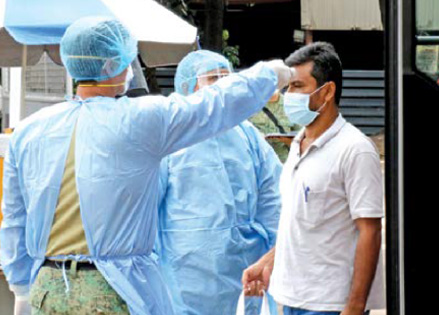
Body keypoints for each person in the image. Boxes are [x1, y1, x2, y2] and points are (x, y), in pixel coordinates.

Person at [0, 16, 293, 315]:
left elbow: (13, 219)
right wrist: (269, 75)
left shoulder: (29, 131)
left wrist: (21, 288)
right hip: (114, 290)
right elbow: (212, 104)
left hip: (48, 290)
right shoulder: (140, 120)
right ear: (116, 65)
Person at [242, 42, 385, 315]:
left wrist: (354, 306)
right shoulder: (297, 144)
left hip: (331, 305)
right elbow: (301, 225)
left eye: (297, 86)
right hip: (293, 299)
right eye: (287, 87)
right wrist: (269, 261)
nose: (288, 96)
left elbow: (370, 231)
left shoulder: (354, 149)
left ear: (327, 91)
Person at [155, 50, 282, 315]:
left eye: (227, 77)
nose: (224, 85)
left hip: (245, 264)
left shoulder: (248, 135)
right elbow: (148, 207)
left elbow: (273, 199)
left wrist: (273, 253)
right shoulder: (171, 135)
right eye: (213, 78)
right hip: (186, 269)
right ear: (188, 85)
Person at [249, 93, 298, 163]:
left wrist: (290, 141)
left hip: (287, 163)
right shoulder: (248, 107)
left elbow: (304, 139)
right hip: (261, 163)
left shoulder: (291, 105)